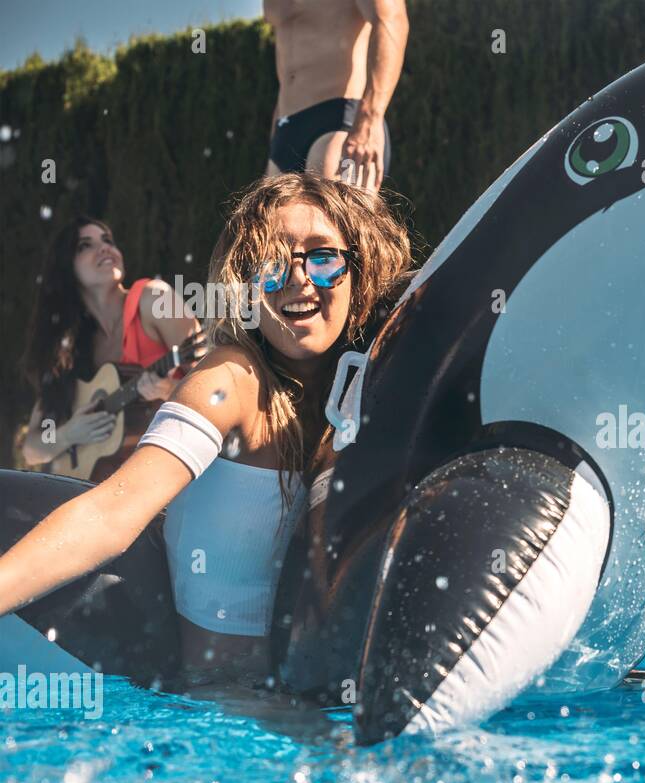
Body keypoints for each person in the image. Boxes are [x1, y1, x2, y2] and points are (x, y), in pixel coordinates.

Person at [0, 174, 412, 684]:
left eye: (322, 256)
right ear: (247, 286)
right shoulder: (230, 378)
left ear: (359, 269)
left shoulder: (362, 396)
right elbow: (112, 513)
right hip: (210, 710)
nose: (300, 278)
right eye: (274, 262)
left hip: (302, 698)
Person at [19, 217, 199, 478]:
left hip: (184, 465)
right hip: (126, 482)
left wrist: (169, 390)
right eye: (85, 245)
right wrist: (69, 434)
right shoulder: (71, 351)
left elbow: (216, 391)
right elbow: (32, 449)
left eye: (107, 240)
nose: (105, 248)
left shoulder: (154, 300)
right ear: (65, 269)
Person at [264, 0, 408, 191]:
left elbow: (392, 21)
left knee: (337, 220)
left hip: (340, 125)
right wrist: (277, 132)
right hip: (286, 129)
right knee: (269, 220)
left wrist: (369, 119)